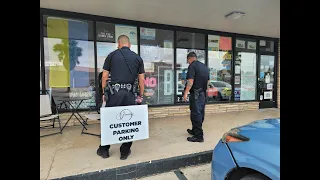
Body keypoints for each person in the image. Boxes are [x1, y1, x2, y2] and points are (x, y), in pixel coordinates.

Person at [97, 35, 145, 160]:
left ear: (118, 43)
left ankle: (104, 150)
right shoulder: (138, 58)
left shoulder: (112, 56)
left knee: (109, 121)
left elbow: (104, 77)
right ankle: (124, 151)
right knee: (129, 121)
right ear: (129, 45)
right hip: (130, 94)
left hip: (114, 94)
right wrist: (141, 94)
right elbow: (141, 80)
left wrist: (103, 92)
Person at [183, 52, 209, 142]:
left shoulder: (192, 66)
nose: (188, 62)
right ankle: (195, 130)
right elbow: (208, 82)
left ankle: (199, 136)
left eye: (188, 61)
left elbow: (190, 81)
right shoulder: (204, 66)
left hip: (196, 94)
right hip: (203, 93)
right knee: (200, 113)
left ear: (189, 58)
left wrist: (186, 93)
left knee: (195, 114)